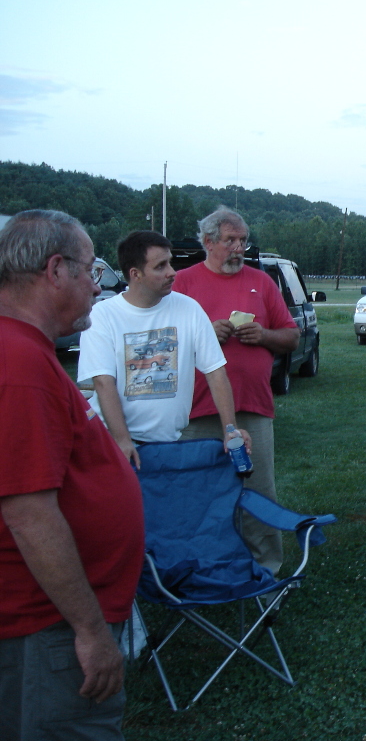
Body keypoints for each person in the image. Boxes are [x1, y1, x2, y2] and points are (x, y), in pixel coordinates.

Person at [0, 210, 144, 739]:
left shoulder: (27, 353)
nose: (96, 284)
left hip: (55, 621)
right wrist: (89, 631)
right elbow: (29, 514)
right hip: (48, 629)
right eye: (91, 269)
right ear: (55, 270)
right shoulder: (18, 365)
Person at [173, 208, 299, 576]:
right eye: (230, 240)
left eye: (242, 240)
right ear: (208, 242)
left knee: (258, 494)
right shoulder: (182, 284)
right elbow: (164, 345)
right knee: (197, 494)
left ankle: (266, 570)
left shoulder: (261, 281)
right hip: (196, 412)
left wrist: (264, 336)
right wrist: (203, 334)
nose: (238, 248)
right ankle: (200, 570)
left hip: (252, 407)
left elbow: (291, 336)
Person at [78, 230, 251, 468]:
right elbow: (103, 383)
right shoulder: (103, 315)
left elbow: (216, 372)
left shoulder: (188, 309)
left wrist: (230, 430)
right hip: (111, 441)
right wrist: (122, 441)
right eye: (160, 266)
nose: (172, 272)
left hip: (168, 443)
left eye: (169, 263)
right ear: (135, 274)